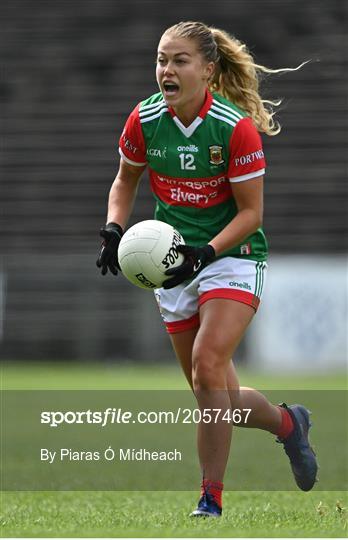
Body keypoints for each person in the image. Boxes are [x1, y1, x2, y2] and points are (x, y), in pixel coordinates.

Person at [97, 21, 318, 517]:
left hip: (232, 259)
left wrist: (207, 254)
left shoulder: (234, 128)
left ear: (208, 70)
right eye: (161, 60)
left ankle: (210, 501)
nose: (166, 70)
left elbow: (251, 215)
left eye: (180, 60)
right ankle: (288, 424)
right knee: (221, 396)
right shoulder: (144, 119)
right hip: (174, 265)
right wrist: (113, 229)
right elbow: (123, 181)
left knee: (208, 364)